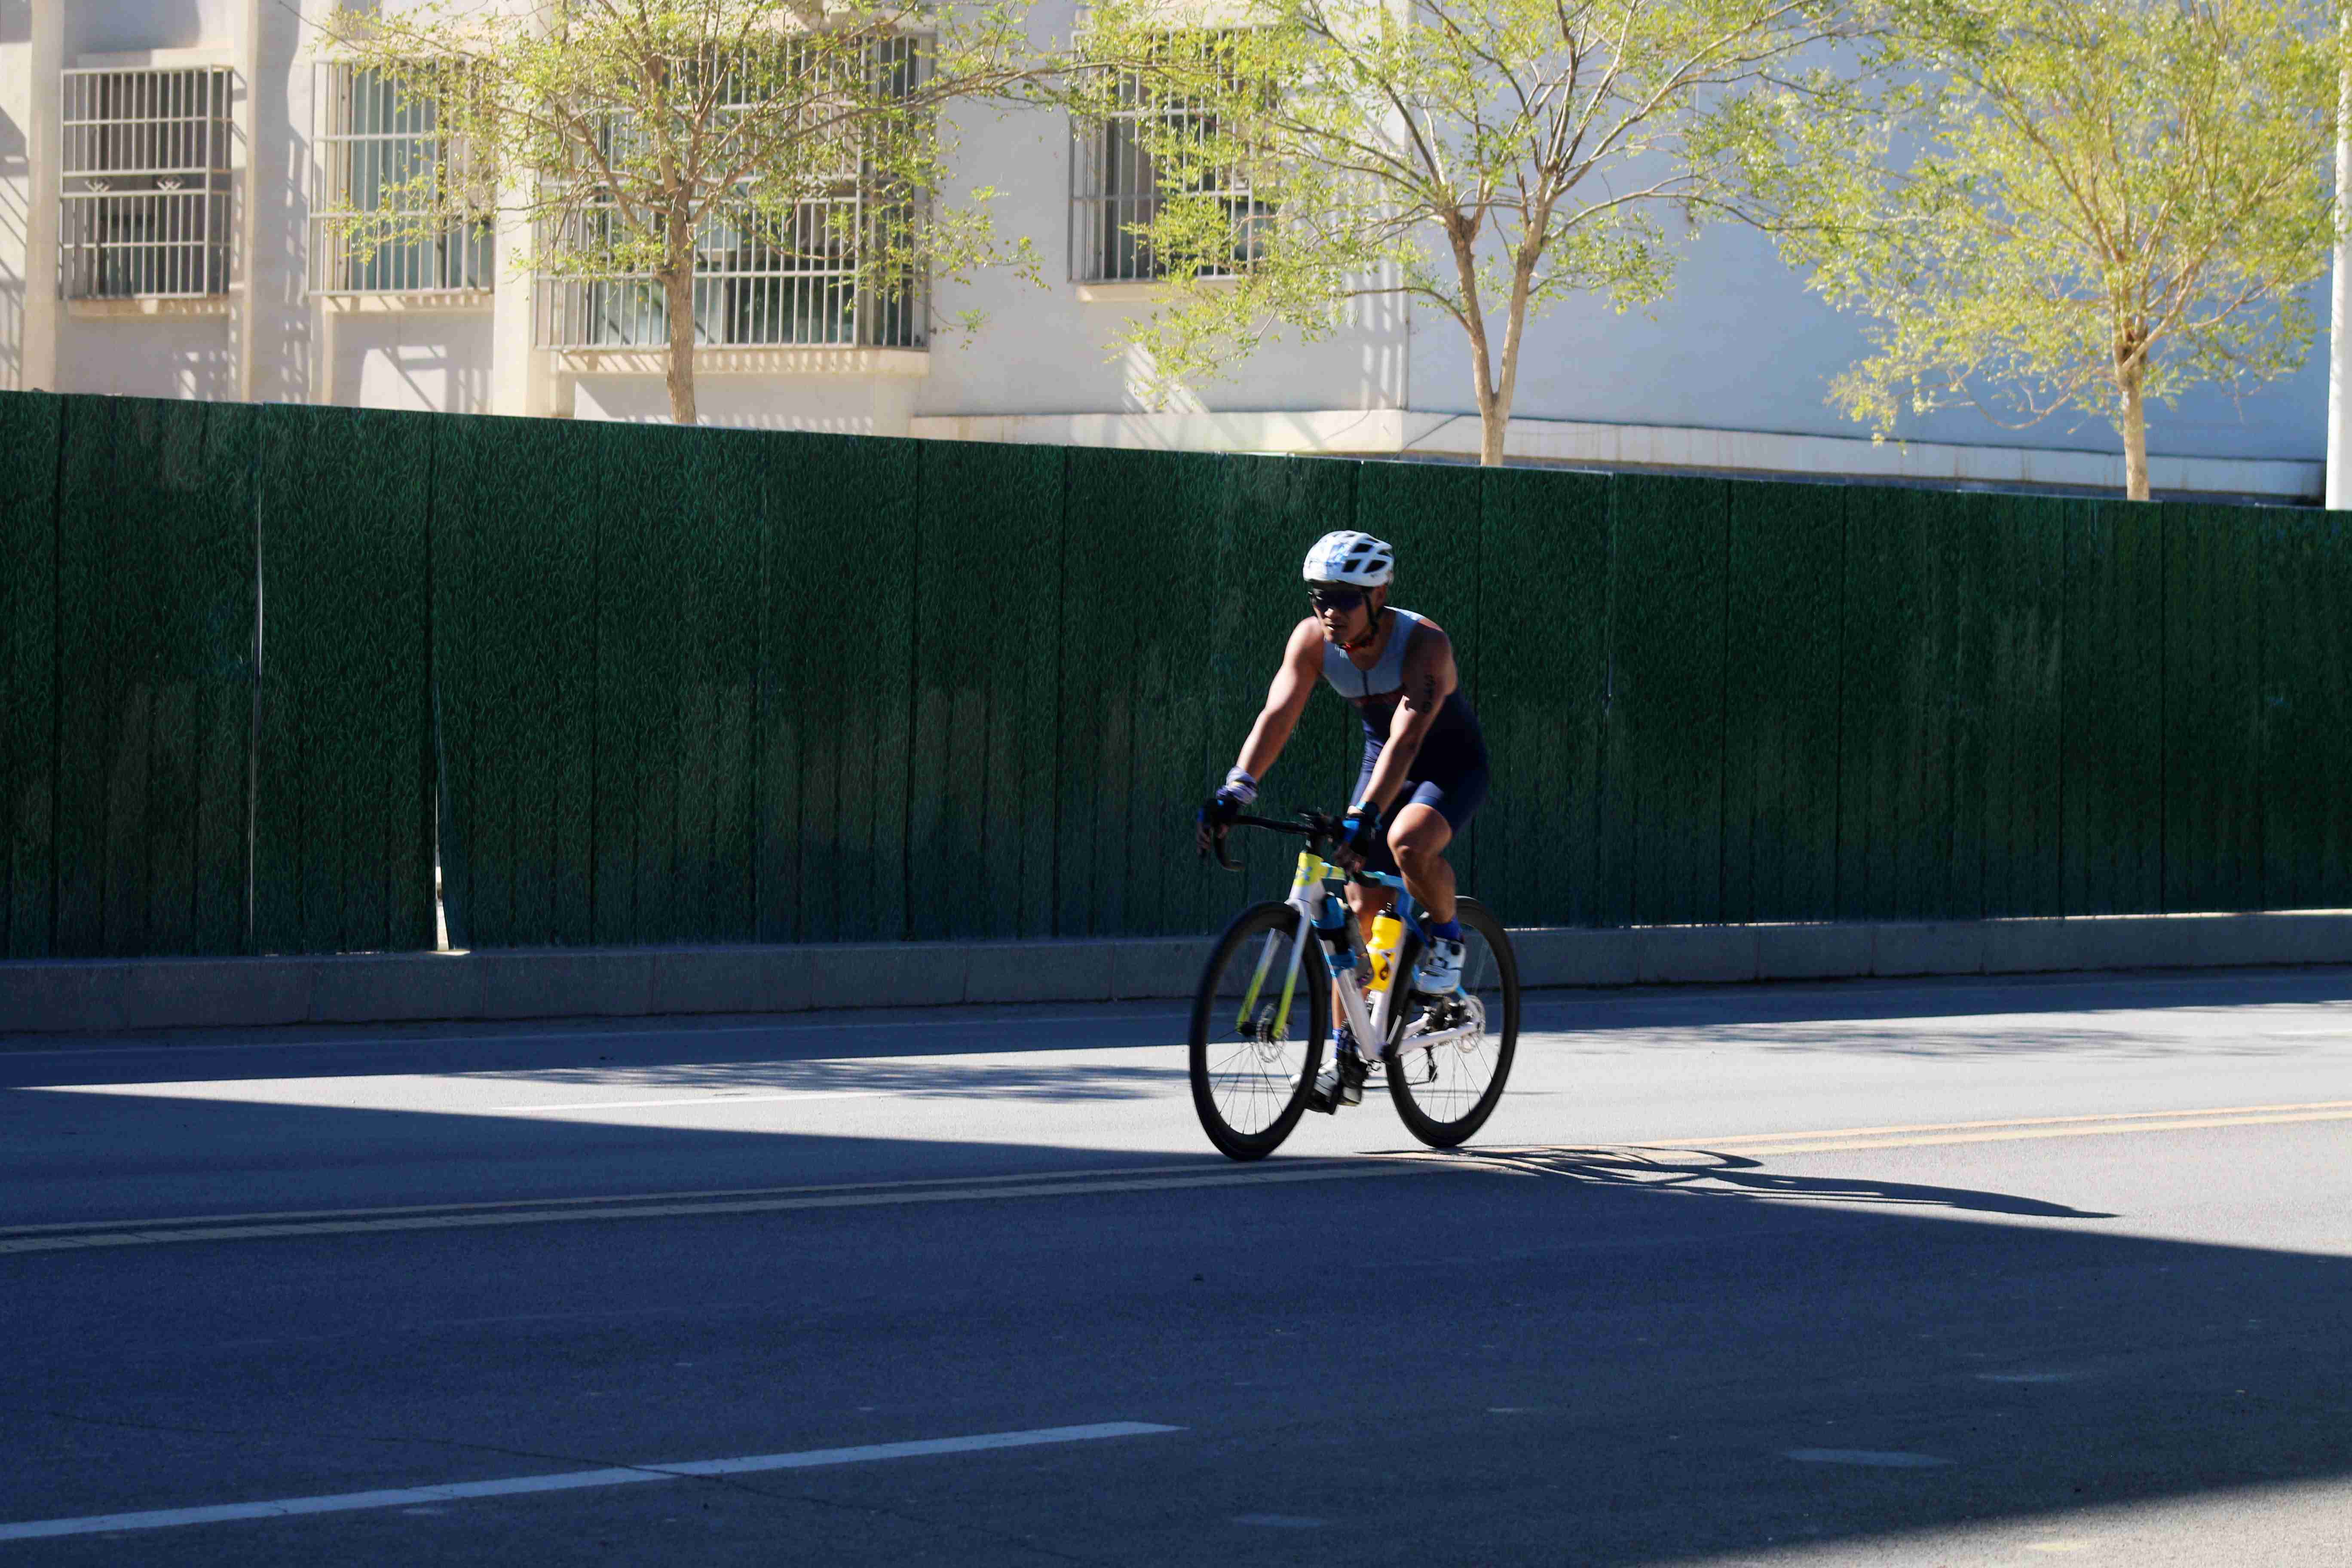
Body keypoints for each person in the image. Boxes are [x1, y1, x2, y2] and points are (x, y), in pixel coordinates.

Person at [1195, 530, 1490, 1110]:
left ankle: (1449, 941)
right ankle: (1346, 1054)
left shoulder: (1424, 646)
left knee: (1407, 842)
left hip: (1448, 761)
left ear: (1379, 595)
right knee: (1357, 907)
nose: (1330, 612)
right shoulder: (1312, 640)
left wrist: (1365, 815)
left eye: (1345, 599)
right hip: (1384, 758)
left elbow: (1408, 740)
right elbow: (1278, 714)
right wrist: (1237, 789)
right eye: (1320, 597)